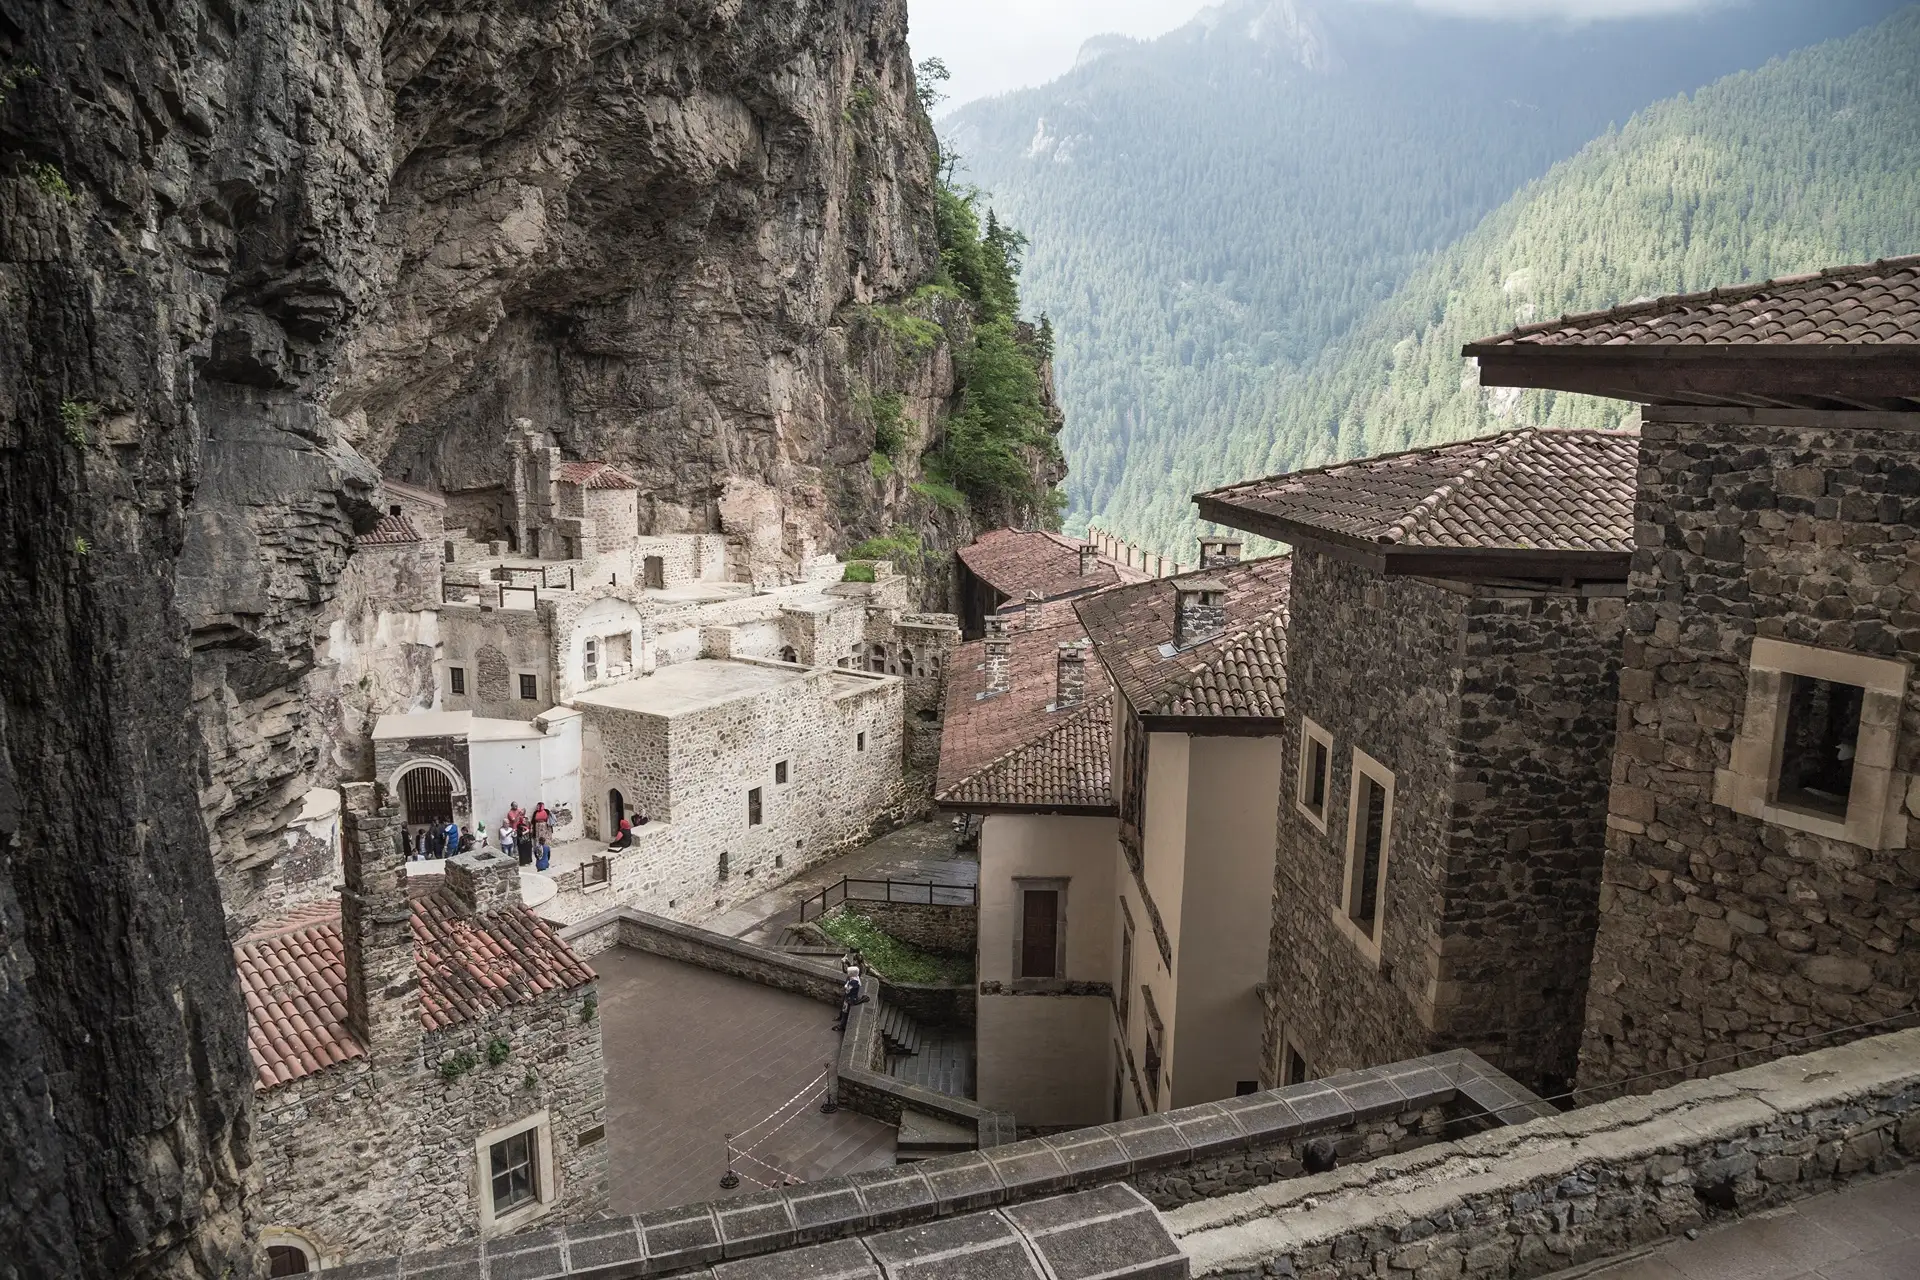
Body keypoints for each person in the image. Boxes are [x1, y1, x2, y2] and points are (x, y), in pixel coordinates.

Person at [833, 965, 867, 1033]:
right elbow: (846, 972)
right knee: (843, 1009)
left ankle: (841, 1025)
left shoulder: (854, 982)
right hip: (848, 997)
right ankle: (840, 1018)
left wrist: (846, 986)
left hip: (849, 999)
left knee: (845, 1011)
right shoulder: (853, 978)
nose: (847, 973)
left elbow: (848, 990)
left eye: (849, 972)